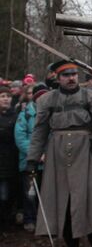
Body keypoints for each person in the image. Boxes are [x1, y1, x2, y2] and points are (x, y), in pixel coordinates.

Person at [25, 61, 92, 247]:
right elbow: (39, 132)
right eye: (66, 75)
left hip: (85, 153)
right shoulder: (47, 100)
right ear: (57, 78)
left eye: (74, 74)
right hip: (57, 154)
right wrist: (32, 158)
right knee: (62, 201)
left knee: (88, 198)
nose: (71, 78)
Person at [15, 83, 48, 232]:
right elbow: (20, 137)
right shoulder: (25, 114)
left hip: (48, 162)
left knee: (45, 192)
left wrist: (47, 153)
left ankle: (45, 220)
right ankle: (30, 219)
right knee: (30, 193)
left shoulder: (51, 114)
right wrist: (36, 154)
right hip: (29, 162)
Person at [0, 85, 19, 230]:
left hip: (11, 160)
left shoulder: (16, 115)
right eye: (2, 96)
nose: (6, 99)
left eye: (8, 96)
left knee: (7, 195)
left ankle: (7, 221)